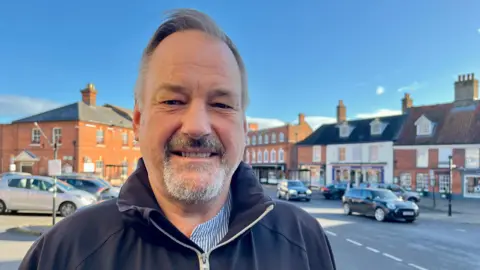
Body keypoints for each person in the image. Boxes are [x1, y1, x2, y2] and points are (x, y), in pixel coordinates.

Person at [20, 8, 336, 270]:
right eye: (173, 101)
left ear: (243, 128)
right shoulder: (64, 252)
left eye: (221, 104)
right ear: (139, 122)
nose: (197, 127)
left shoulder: (304, 240)